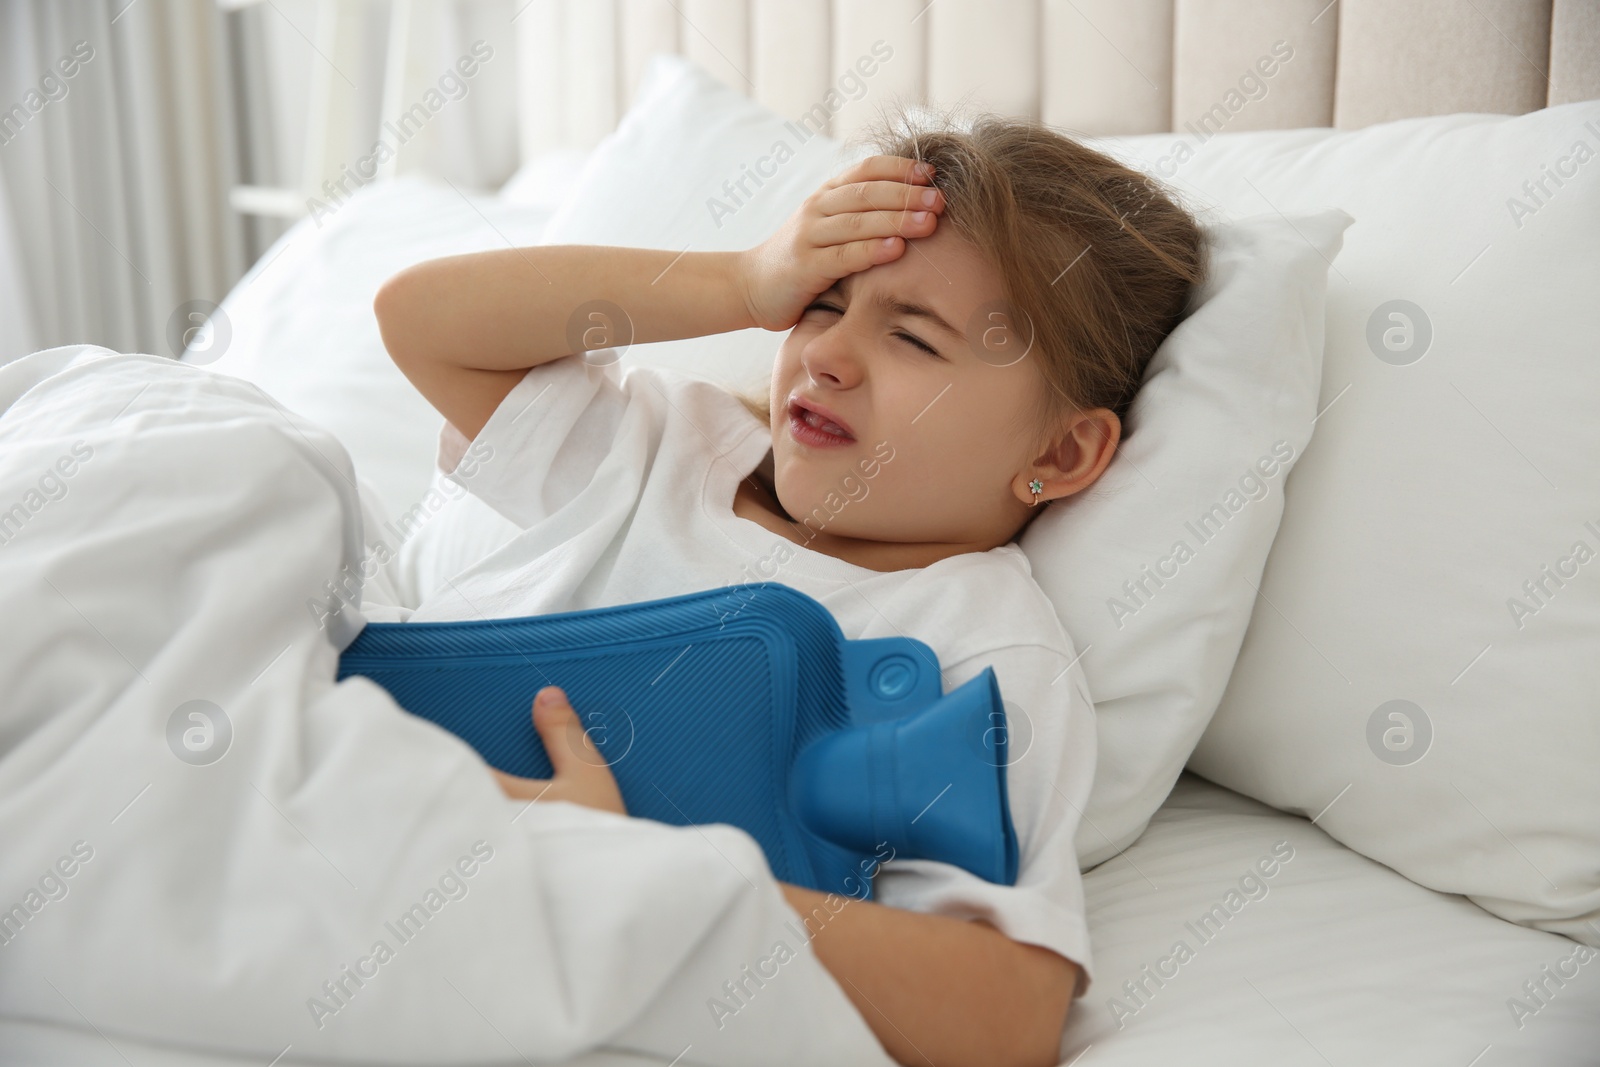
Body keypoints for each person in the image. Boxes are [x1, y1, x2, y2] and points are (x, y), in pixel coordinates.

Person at [373, 110, 1204, 1067]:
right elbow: (421, 321)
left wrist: (635, 872)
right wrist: (743, 279)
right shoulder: (655, 452)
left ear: (1060, 451)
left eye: (916, 340)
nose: (827, 354)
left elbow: (1005, 1018)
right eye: (822, 302)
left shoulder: (978, 646)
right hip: (353, 811)